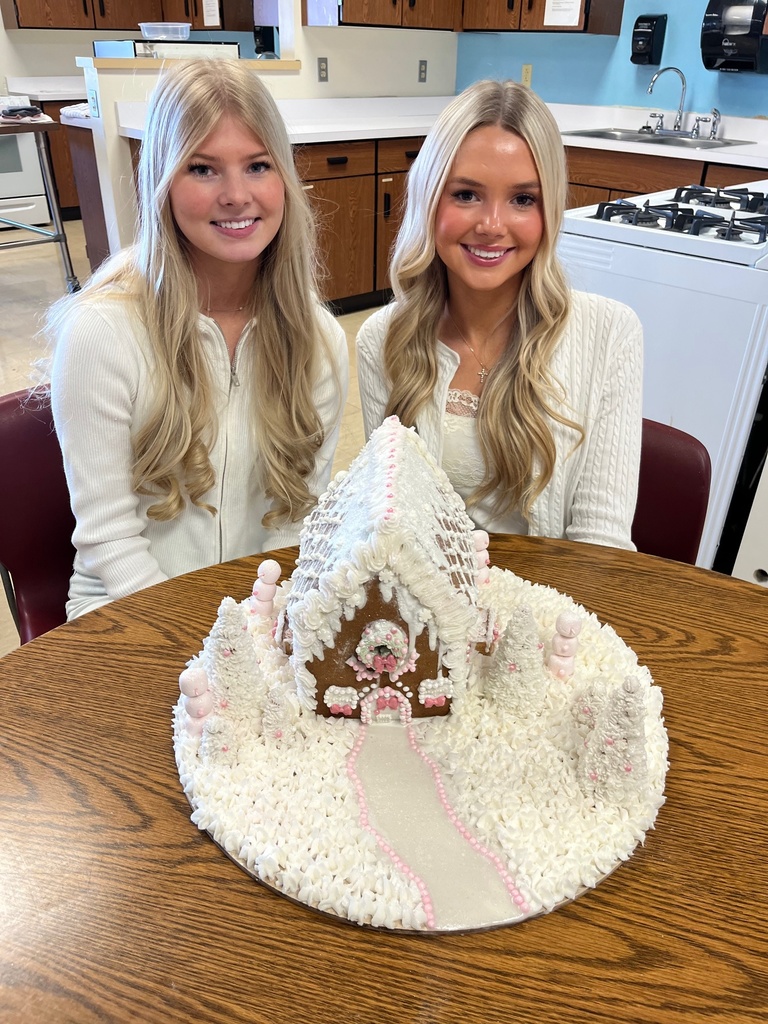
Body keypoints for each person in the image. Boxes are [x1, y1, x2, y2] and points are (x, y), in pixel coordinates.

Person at [48, 59, 348, 619]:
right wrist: (198, 640)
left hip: (256, 608)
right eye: (203, 169)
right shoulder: (101, 332)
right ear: (162, 181)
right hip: (127, 604)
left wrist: (258, 627)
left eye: (257, 165)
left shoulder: (319, 341)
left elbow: (298, 519)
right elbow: (108, 537)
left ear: (285, 178)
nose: (236, 195)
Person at [356, 79, 643, 549]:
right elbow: (391, 530)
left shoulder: (610, 334)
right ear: (429, 197)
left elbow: (599, 544)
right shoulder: (382, 339)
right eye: (466, 194)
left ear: (550, 211)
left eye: (523, 200)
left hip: (557, 593)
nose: (492, 225)